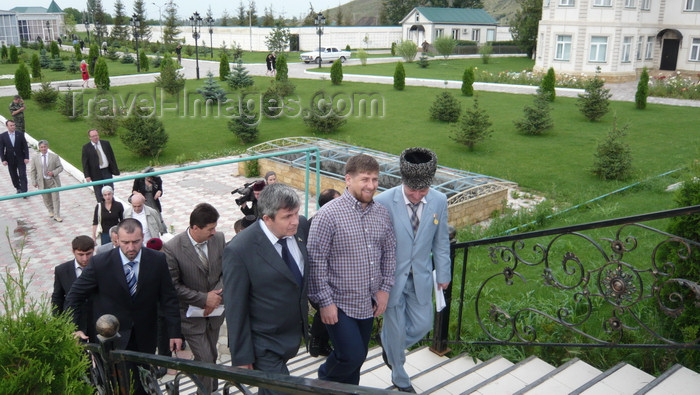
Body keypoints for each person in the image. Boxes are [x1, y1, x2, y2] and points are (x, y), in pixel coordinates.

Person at [308, 154, 396, 385]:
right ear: (348, 179)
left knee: (358, 358)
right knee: (351, 355)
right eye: (365, 179)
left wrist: (385, 289)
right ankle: (322, 381)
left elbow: (389, 253)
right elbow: (315, 262)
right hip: (340, 304)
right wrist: (325, 302)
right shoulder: (328, 215)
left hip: (369, 302)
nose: (371, 185)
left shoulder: (382, 213)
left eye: (375, 179)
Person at [67, 219, 182, 395]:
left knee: (143, 382)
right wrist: (74, 328)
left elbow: (169, 298)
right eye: (125, 242)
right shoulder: (100, 263)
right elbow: (74, 295)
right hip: (112, 338)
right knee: (119, 386)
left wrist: (174, 332)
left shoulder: (157, 260)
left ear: (143, 237)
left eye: (136, 242)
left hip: (145, 335)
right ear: (116, 240)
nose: (131, 248)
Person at [375, 147, 451, 393]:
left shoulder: (439, 200)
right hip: (390, 280)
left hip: (421, 277)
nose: (418, 195)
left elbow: (440, 241)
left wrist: (444, 274)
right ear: (403, 182)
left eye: (423, 190)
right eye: (412, 190)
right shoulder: (383, 202)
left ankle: (389, 345)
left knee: (423, 325)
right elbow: (375, 245)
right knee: (395, 327)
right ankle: (400, 377)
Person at [223, 183, 310, 395]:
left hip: (290, 337)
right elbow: (235, 308)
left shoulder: (301, 228)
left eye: (297, 213)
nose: (295, 221)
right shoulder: (239, 250)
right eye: (288, 216)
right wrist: (242, 357)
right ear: (267, 218)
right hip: (264, 344)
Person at [164, 203, 226, 393]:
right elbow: (173, 286)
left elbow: (227, 271)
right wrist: (202, 299)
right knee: (205, 359)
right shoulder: (172, 248)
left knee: (212, 356)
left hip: (216, 313)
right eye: (210, 229)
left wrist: (216, 297)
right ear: (195, 228)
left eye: (215, 227)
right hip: (191, 317)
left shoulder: (219, 239)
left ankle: (210, 390)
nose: (214, 232)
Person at [307, 188, 341, 358]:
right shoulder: (314, 224)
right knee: (325, 311)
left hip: (337, 280)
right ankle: (315, 343)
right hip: (321, 281)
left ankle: (321, 344)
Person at [51, 235, 96, 339]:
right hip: (74, 321)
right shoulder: (62, 270)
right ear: (73, 251)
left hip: (95, 321)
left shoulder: (100, 267)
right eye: (80, 255)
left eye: (88, 254)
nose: (85, 258)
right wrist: (58, 324)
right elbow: (57, 298)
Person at [81, 129, 120, 202]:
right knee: (99, 192)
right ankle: (101, 207)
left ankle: (111, 204)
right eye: (93, 136)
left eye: (96, 135)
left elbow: (111, 157)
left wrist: (115, 169)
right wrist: (87, 175)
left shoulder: (106, 144)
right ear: (90, 137)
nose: (95, 137)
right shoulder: (86, 148)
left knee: (109, 189)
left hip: (106, 171)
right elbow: (85, 163)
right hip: (95, 173)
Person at [29, 139, 63, 222]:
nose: (43, 148)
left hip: (53, 181)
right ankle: (50, 210)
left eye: (45, 147)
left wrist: (53, 172)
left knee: (55, 199)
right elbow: (33, 171)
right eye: (41, 147)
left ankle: (57, 215)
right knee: (46, 198)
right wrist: (34, 181)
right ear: (39, 148)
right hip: (42, 182)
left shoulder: (54, 157)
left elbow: (60, 167)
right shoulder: (35, 158)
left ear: (47, 147)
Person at [0, 119, 30, 196]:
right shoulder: (3, 136)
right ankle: (18, 188)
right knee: (13, 175)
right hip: (10, 159)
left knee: (22, 174)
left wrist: (26, 157)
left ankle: (24, 191)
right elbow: (1, 148)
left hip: (20, 158)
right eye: (11, 125)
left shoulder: (19, 134)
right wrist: (3, 160)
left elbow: (25, 146)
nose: (13, 127)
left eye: (14, 125)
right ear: (7, 126)